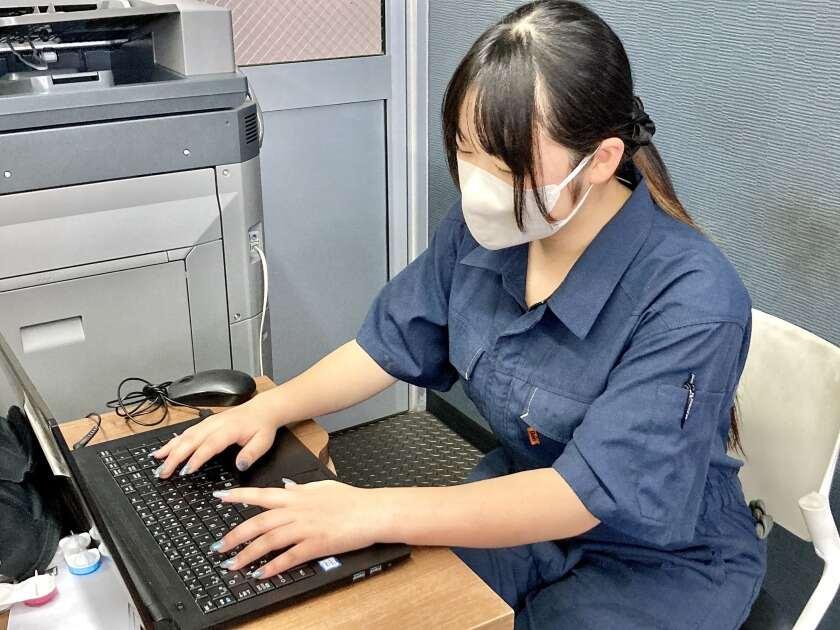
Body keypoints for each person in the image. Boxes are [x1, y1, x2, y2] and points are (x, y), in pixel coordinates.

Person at [152, 2, 766, 627]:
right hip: (519, 494)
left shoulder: (692, 300)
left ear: (602, 160)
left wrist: (371, 509)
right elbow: (387, 344)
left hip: (656, 557)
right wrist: (268, 407)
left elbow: (585, 493)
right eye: (466, 153)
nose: (478, 187)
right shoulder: (495, 232)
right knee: (383, 605)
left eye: (505, 167)